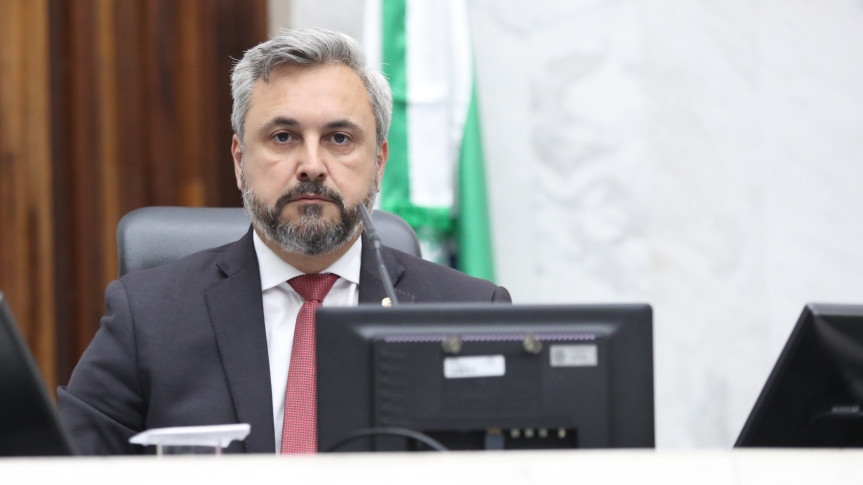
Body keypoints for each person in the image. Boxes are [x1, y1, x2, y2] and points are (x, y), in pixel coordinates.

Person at [57, 28, 511, 455]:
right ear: (240, 161)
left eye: (339, 138)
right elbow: (63, 466)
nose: (311, 165)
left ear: (379, 162)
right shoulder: (148, 316)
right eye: (283, 137)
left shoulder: (469, 315)